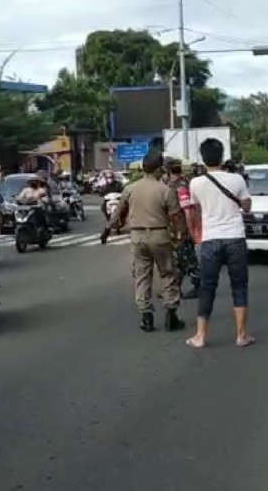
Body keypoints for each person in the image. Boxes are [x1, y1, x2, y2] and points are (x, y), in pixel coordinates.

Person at [101, 150, 188, 332]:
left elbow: (117, 213)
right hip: (160, 236)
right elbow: (176, 216)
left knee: (142, 276)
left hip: (138, 237)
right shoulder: (166, 190)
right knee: (168, 273)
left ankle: (146, 316)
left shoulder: (130, 188)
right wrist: (181, 236)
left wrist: (107, 230)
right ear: (159, 169)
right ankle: (171, 313)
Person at [185, 138, 254, 349]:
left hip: (210, 239)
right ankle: (241, 335)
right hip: (235, 238)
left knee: (207, 287)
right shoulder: (237, 180)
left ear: (202, 158)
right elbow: (247, 207)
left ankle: (200, 336)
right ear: (222, 156)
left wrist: (197, 233)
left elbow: (195, 211)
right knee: (239, 286)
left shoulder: (195, 183)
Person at [165, 157, 201, 299]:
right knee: (179, 260)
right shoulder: (172, 184)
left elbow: (187, 210)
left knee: (187, 259)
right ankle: (175, 288)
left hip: (182, 228)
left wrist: (190, 230)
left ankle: (197, 286)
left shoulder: (180, 185)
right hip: (175, 228)